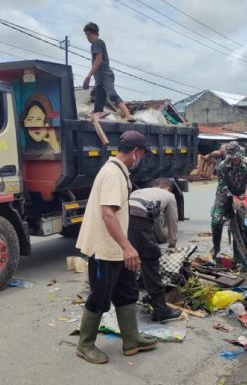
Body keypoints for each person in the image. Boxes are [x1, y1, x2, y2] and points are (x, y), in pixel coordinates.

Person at [75, 130, 157, 364]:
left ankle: (131, 340)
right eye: (141, 155)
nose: (140, 159)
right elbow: (108, 214)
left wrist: (125, 247)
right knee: (100, 296)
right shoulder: (113, 174)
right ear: (135, 153)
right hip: (105, 249)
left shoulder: (119, 172)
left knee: (127, 290)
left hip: (116, 248)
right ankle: (85, 344)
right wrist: (127, 247)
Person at [128, 178, 182, 322]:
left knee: (130, 258)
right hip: (138, 218)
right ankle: (161, 308)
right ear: (167, 188)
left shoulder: (140, 191)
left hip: (123, 217)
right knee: (150, 258)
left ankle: (129, 299)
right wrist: (172, 243)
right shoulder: (169, 196)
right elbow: (172, 220)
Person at [210, 141, 247, 258]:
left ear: (240, 154)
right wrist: (232, 197)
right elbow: (222, 185)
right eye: (231, 157)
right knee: (216, 220)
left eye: (235, 157)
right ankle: (216, 246)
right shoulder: (222, 166)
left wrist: (246, 201)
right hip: (223, 195)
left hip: (241, 195)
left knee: (238, 225)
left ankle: (238, 253)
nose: (233, 160)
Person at [82, 22, 133, 121]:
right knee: (97, 97)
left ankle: (128, 115)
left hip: (106, 75)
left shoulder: (97, 42)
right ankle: (98, 113)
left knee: (112, 94)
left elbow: (98, 60)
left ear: (90, 33)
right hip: (100, 78)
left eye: (86, 35)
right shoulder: (94, 45)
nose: (86, 38)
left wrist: (88, 77)